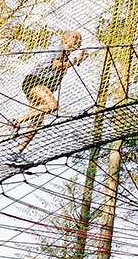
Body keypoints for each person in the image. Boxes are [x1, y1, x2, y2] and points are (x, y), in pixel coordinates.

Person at [10, 29, 87, 165]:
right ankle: (17, 120)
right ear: (65, 39)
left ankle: (16, 153)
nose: (78, 41)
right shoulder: (60, 50)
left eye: (80, 40)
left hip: (41, 85)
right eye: (75, 38)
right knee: (53, 105)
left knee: (37, 122)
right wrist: (75, 61)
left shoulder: (66, 56)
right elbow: (56, 66)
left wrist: (76, 61)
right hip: (36, 81)